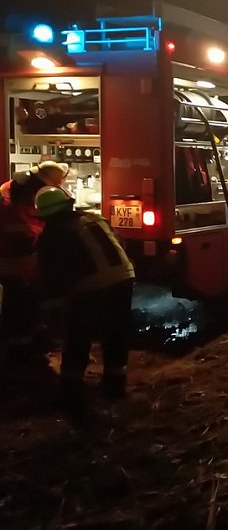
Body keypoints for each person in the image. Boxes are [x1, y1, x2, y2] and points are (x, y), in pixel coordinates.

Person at [34, 186, 136, 415]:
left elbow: (50, 274)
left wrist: (49, 307)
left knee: (78, 338)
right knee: (115, 335)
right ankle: (115, 387)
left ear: (45, 214)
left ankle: (71, 393)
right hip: (124, 278)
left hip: (91, 286)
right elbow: (120, 243)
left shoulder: (53, 233)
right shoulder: (93, 218)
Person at [0, 161, 69, 365]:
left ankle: (28, 344)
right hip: (20, 259)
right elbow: (36, 226)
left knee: (20, 302)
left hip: (9, 258)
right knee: (21, 305)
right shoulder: (36, 194)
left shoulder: (13, 185)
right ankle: (20, 352)